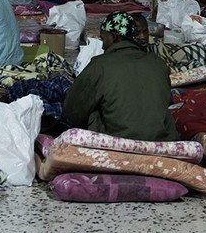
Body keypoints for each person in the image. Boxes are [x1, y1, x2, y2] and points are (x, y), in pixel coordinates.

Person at [63, 12, 181, 141]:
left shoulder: (100, 65)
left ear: (113, 37)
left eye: (103, 39)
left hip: (118, 142)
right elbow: (165, 100)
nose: (102, 45)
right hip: (162, 142)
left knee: (90, 108)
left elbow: (72, 111)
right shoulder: (157, 62)